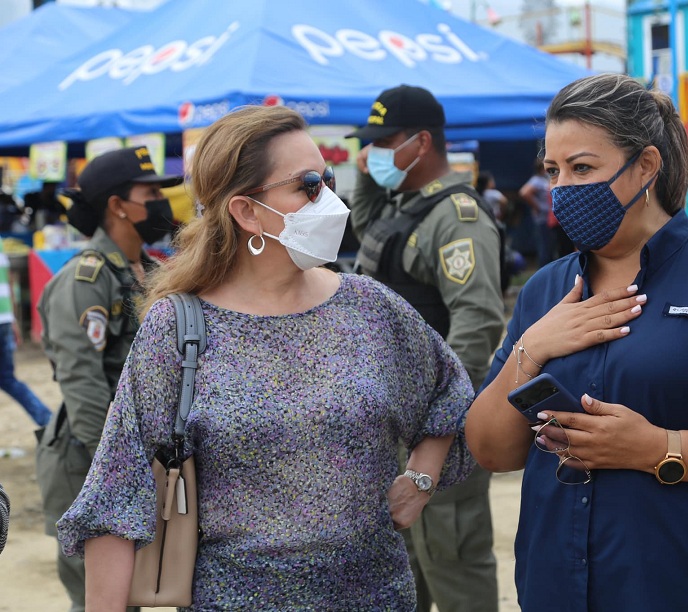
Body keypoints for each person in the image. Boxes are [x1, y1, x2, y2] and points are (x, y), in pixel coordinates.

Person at [56, 105, 475, 610]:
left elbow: (450, 396)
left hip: (376, 596)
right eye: (310, 186)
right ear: (247, 211)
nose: (331, 201)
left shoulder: (371, 306)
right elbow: (116, 497)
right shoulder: (179, 328)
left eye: (329, 180)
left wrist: (421, 478)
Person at [465, 73, 688, 611]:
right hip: (555, 592)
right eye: (553, 170)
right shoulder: (546, 290)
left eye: (583, 167)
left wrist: (658, 449)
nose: (563, 187)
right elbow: (491, 449)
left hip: (687, 590)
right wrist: (533, 347)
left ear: (646, 165)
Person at [347, 84, 504, 612]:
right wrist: (367, 173)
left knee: (453, 564)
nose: (372, 153)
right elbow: (368, 235)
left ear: (421, 143)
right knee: (402, 572)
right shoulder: (405, 209)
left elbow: (477, 322)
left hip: (438, 430)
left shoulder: (457, 218)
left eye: (383, 142)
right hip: (394, 423)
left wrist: (439, 425)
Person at [35, 145, 181, 612]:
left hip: (142, 458)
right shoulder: (86, 279)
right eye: (151, 192)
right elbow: (83, 384)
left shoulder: (152, 270)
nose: (162, 201)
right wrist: (118, 469)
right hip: (91, 459)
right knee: (102, 597)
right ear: (118, 205)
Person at [0, 240, 52, 427]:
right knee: (7, 378)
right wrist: (13, 319)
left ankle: (47, 419)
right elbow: (9, 282)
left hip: (5, 319)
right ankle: (46, 419)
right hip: (5, 319)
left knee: (7, 378)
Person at [518, 157, 555, 268]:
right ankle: (544, 270)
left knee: (551, 247)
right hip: (543, 219)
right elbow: (524, 193)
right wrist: (538, 207)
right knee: (545, 248)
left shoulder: (545, 179)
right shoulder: (536, 180)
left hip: (550, 219)